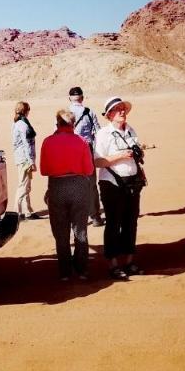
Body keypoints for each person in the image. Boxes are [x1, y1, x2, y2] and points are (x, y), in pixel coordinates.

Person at [39, 109, 95, 281]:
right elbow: (89, 169)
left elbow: (44, 170)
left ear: (57, 123)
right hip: (79, 186)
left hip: (57, 186)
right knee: (81, 230)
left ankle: (65, 272)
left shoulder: (48, 142)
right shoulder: (82, 141)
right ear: (73, 124)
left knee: (61, 233)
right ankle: (82, 270)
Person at [94, 96, 145, 280]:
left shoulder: (131, 131)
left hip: (133, 182)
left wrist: (138, 155)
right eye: (118, 109)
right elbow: (98, 161)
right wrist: (120, 156)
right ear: (109, 115)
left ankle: (129, 261)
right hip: (112, 184)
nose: (122, 112)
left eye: (123, 108)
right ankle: (113, 264)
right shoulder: (103, 134)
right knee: (114, 224)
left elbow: (136, 153)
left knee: (131, 222)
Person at [67, 86, 103, 227]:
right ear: (82, 98)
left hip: (70, 151)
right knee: (90, 184)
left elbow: (57, 133)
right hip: (86, 149)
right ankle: (95, 216)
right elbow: (98, 133)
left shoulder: (64, 114)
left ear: (69, 98)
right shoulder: (89, 112)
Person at [12, 101, 38, 219]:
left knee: (26, 185)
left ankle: (28, 210)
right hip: (24, 159)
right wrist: (31, 161)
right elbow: (26, 143)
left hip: (22, 158)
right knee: (23, 186)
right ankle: (16, 212)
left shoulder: (19, 123)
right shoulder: (22, 125)